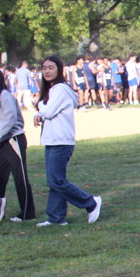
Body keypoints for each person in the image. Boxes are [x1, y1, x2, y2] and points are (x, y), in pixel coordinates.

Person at [33, 56, 102, 227]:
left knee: (56, 181)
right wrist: (39, 113)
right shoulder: (53, 90)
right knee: (54, 181)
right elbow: (47, 112)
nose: (47, 71)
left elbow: (48, 112)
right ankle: (56, 218)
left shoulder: (60, 89)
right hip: (53, 140)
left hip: (61, 141)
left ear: (59, 70)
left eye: (51, 67)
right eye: (44, 68)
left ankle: (90, 202)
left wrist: (38, 106)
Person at [0, 68, 35, 222]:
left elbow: (10, 119)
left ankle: (28, 213)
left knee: (20, 177)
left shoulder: (4, 95)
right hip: (2, 141)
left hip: (14, 139)